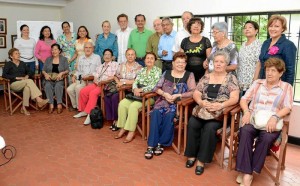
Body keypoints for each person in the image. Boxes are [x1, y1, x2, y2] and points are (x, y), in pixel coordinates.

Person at [236, 58, 293, 186]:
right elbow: (244, 99)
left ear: (280, 73)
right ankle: (248, 173)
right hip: (253, 119)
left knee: (266, 138)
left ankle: (247, 172)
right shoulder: (257, 83)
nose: (269, 73)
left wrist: (275, 117)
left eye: (273, 70)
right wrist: (246, 112)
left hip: (270, 123)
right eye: (267, 70)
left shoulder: (286, 87)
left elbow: (288, 107)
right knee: (244, 131)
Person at [184, 51, 239, 175]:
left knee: (210, 128)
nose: (218, 64)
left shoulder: (231, 78)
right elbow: (197, 93)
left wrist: (221, 105)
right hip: (203, 109)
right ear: (213, 63)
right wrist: (201, 102)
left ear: (226, 64)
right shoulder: (207, 76)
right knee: (193, 123)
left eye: (221, 62)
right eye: (216, 62)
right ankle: (191, 155)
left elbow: (235, 98)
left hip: (220, 113)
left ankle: (202, 161)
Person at [144, 52, 196, 160]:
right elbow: (156, 87)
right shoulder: (166, 73)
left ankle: (161, 143)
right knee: (156, 113)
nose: (180, 64)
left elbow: (193, 91)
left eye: (183, 62)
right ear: (173, 63)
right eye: (178, 62)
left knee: (169, 116)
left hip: (177, 105)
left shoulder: (189, 75)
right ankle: (151, 145)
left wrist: (179, 95)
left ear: (186, 64)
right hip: (162, 101)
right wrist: (164, 94)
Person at [115, 52, 161, 143]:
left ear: (155, 61)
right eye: (147, 58)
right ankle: (123, 127)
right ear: (144, 60)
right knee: (122, 104)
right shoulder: (141, 70)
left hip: (149, 97)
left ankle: (131, 131)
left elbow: (154, 85)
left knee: (133, 107)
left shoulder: (158, 70)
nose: (149, 60)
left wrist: (141, 90)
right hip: (137, 95)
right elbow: (135, 81)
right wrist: (135, 88)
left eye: (152, 58)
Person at [74, 49, 118, 125]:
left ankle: (90, 114)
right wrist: (96, 79)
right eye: (105, 55)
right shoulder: (101, 66)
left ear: (112, 57)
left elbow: (114, 76)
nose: (107, 56)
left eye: (108, 55)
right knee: (83, 91)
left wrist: (103, 81)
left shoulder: (115, 64)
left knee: (93, 93)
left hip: (105, 85)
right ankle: (84, 111)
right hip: (97, 83)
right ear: (103, 56)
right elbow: (96, 75)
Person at [3, 48, 48, 115]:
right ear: (11, 56)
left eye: (19, 53)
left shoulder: (22, 63)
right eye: (16, 53)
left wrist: (27, 75)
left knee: (27, 88)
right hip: (14, 84)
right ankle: (39, 100)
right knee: (29, 81)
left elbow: (31, 72)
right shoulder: (8, 64)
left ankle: (23, 108)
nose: (18, 55)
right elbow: (4, 75)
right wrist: (16, 77)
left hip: (25, 83)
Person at [106, 48, 142, 131]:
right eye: (128, 54)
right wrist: (118, 82)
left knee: (115, 98)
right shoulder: (121, 65)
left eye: (132, 54)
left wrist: (124, 82)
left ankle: (118, 121)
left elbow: (137, 81)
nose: (130, 56)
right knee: (108, 96)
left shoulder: (139, 67)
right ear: (126, 56)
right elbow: (115, 76)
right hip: (119, 88)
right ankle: (113, 119)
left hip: (130, 90)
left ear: (135, 56)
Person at [259, 15, 297, 86]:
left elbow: (290, 70)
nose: (273, 29)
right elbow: (261, 64)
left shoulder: (288, 45)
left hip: (279, 85)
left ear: (283, 29)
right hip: (264, 83)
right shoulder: (265, 43)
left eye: (276, 26)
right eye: (271, 26)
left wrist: (287, 88)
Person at [67, 42, 101, 111]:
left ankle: (80, 108)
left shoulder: (97, 57)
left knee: (78, 88)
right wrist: (74, 75)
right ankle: (76, 106)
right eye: (86, 47)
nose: (88, 49)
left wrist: (90, 76)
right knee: (69, 89)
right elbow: (79, 71)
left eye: (90, 48)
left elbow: (99, 71)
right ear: (83, 49)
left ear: (93, 49)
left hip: (91, 81)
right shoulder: (81, 58)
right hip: (81, 80)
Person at [180, 17, 212, 82]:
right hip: (187, 74)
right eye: (193, 24)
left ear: (201, 28)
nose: (196, 26)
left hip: (202, 74)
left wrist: (206, 74)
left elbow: (209, 59)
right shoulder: (184, 41)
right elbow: (181, 58)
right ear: (190, 27)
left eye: (199, 25)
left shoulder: (206, 40)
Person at [42, 44, 69, 114]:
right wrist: (45, 74)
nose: (54, 51)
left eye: (55, 49)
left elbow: (67, 70)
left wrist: (62, 73)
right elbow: (43, 70)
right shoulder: (48, 59)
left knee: (58, 86)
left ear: (59, 51)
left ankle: (59, 104)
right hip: (49, 79)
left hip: (59, 79)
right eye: (52, 49)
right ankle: (51, 104)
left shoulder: (64, 59)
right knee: (47, 85)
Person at [237, 21, 262, 95]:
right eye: (245, 28)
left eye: (250, 27)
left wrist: (255, 80)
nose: (247, 29)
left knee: (248, 102)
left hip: (251, 79)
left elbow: (259, 63)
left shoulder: (258, 44)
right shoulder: (243, 44)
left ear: (256, 31)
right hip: (241, 78)